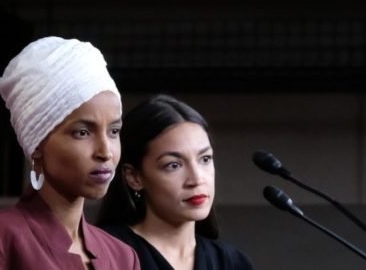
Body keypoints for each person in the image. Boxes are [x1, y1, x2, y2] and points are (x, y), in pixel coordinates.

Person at [0, 36, 140, 270]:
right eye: (82, 132)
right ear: (37, 146)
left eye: (114, 131)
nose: (105, 152)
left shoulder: (123, 257)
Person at [97, 95, 254, 270]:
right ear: (134, 177)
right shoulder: (106, 254)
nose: (196, 179)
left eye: (205, 159)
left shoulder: (231, 262)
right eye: (173, 165)